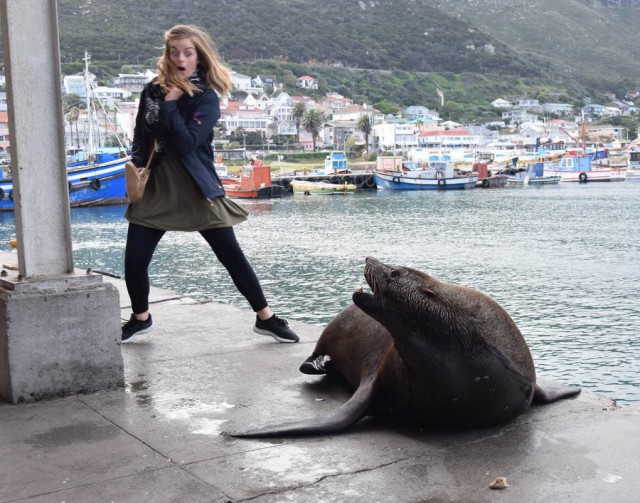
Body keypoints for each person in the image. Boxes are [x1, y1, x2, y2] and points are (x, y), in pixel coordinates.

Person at [121, 24, 299, 344]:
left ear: (198, 56)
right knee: (134, 260)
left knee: (231, 255)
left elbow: (189, 143)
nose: (180, 58)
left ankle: (266, 318)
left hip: (196, 188)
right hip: (156, 188)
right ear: (167, 54)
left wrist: (173, 103)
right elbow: (140, 134)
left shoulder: (205, 98)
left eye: (187, 53)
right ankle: (140, 318)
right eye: (174, 52)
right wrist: (138, 168)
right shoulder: (151, 90)